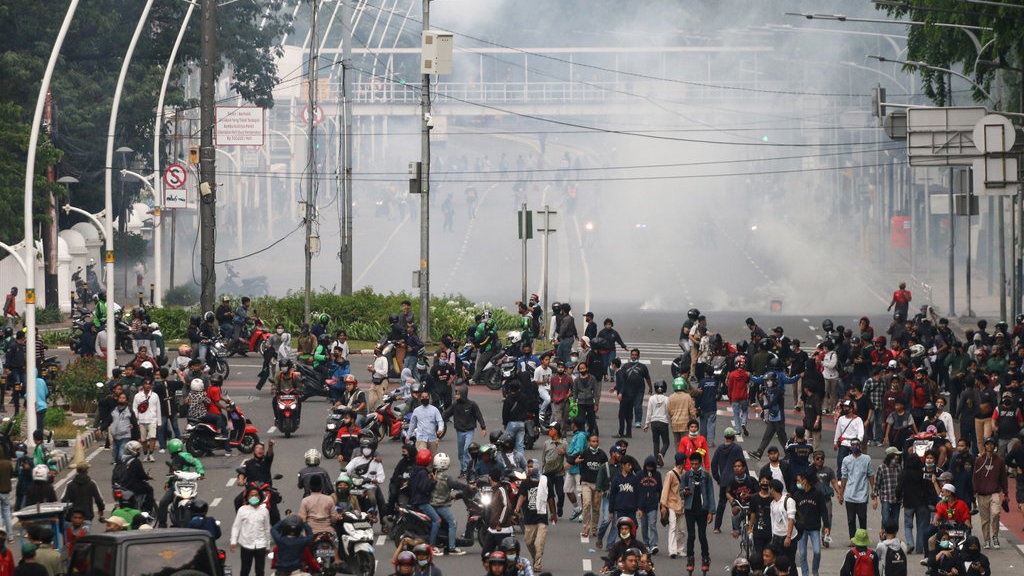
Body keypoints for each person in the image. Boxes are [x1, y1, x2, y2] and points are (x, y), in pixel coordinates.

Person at [515, 459, 555, 570]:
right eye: (528, 466)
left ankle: (538, 564)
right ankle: (535, 557)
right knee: (528, 542)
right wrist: (518, 507)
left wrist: (553, 513)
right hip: (529, 518)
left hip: (541, 516)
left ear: (537, 467)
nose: (529, 468)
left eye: (531, 466)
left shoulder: (545, 481)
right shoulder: (525, 482)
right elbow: (522, 496)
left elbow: (550, 498)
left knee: (539, 543)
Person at [681, 451, 714, 573]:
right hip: (689, 509)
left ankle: (705, 557)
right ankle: (690, 558)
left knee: (702, 535)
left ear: (700, 463)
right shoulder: (686, 475)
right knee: (691, 535)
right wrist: (685, 492)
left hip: (702, 510)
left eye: (696, 464)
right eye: (692, 464)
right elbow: (680, 491)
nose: (694, 466)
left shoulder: (706, 476)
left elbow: (710, 493)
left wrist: (711, 511)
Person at [973, 437, 1008, 549]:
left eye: (991, 444)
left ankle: (995, 537)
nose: (989, 446)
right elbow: (975, 477)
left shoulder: (1000, 461)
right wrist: (974, 491)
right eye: (987, 444)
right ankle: (987, 540)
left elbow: (1003, 477)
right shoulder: (979, 460)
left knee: (996, 513)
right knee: (985, 519)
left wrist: (1006, 492)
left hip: (994, 493)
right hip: (981, 493)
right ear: (984, 446)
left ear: (994, 446)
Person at [445, 385, 487, 476]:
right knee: (460, 453)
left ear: (463, 394)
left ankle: (467, 470)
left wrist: (483, 427)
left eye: (458, 393)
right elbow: (446, 414)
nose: (456, 395)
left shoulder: (472, 404)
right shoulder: (455, 405)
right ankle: (463, 469)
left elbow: (479, 416)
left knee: (466, 450)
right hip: (459, 431)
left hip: (469, 431)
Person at [712, 428, 747, 533]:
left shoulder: (719, 449)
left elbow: (714, 464)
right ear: (733, 437)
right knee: (737, 504)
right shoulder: (737, 448)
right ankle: (735, 528)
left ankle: (716, 527)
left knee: (721, 504)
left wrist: (718, 478)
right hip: (735, 481)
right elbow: (743, 464)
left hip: (723, 481)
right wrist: (747, 478)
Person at [231, 486, 272, 576]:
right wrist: (233, 541)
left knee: (260, 571)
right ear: (247, 497)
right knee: (245, 570)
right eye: (251, 495)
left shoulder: (264, 511)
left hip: (260, 545)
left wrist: (268, 545)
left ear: (260, 497)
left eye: (256, 495)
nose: (253, 497)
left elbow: (267, 529)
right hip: (246, 545)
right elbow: (236, 526)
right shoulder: (242, 510)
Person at [839, 438, 874, 541]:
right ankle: (853, 539)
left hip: (862, 495)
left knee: (862, 518)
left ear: (860, 446)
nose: (855, 447)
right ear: (850, 447)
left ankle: (863, 539)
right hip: (850, 495)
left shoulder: (867, 459)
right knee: (851, 520)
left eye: (857, 444)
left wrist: (873, 490)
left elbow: (870, 475)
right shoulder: (846, 460)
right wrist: (841, 494)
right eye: (853, 445)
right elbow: (844, 477)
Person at [793, 471, 826, 576]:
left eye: (799, 480)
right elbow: (793, 512)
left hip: (814, 528)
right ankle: (805, 573)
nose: (797, 483)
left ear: (805, 480)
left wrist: (827, 525)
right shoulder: (797, 495)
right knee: (802, 554)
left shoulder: (817, 494)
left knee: (817, 552)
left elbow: (824, 510)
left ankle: (815, 571)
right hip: (801, 529)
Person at [576, 434, 607, 541]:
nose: (595, 443)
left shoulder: (602, 455)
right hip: (586, 483)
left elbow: (606, 470)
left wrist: (604, 485)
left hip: (597, 485)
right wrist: (575, 461)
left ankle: (594, 528)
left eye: (596, 441)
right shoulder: (584, 452)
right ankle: (586, 528)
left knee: (596, 507)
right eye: (593, 441)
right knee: (586, 503)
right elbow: (573, 458)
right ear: (589, 442)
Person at [660, 452, 688, 559]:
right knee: (672, 527)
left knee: (681, 529)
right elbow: (665, 489)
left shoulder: (685, 474)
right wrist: (663, 505)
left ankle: (679, 549)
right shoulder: (670, 474)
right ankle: (672, 550)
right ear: (683, 462)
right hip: (671, 504)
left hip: (681, 504)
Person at [60, 462, 104, 527]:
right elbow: (99, 500)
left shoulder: (70, 484)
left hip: (72, 517)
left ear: (77, 470)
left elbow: (63, 499)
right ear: (87, 471)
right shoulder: (92, 484)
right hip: (86, 516)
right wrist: (101, 511)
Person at [725, 458, 759, 538]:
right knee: (735, 513)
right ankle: (737, 530)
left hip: (752, 504)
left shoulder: (751, 480)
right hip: (739, 504)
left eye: (739, 466)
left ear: (744, 468)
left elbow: (760, 492)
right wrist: (730, 498)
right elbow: (727, 492)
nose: (737, 468)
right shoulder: (732, 481)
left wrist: (750, 496)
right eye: (735, 466)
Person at [408, 384, 445, 454]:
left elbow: (440, 421)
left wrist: (440, 429)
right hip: (421, 439)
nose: (424, 398)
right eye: (423, 397)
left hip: (432, 438)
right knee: (423, 457)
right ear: (420, 398)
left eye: (426, 397)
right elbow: (412, 424)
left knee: (432, 459)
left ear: (429, 398)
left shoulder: (434, 410)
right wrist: (408, 436)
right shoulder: (416, 411)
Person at [541, 423, 568, 517]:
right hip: (547, 472)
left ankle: (559, 506)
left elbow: (569, 458)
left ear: (557, 430)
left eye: (552, 429)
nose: (550, 431)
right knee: (550, 494)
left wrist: (564, 453)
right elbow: (543, 458)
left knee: (560, 494)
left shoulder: (564, 443)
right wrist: (542, 472)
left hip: (559, 472)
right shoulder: (546, 443)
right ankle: (553, 512)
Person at [564, 418, 589, 520]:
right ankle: (577, 509)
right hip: (571, 469)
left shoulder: (581, 436)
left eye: (571, 424)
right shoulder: (576, 435)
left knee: (581, 492)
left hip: (578, 468)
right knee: (567, 489)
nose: (570, 425)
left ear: (574, 425)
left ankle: (584, 512)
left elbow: (578, 451)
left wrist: (569, 459)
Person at [768, 479, 797, 563]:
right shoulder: (772, 503)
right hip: (776, 537)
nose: (768, 491)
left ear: (772, 489)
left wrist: (788, 537)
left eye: (769, 488)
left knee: (789, 563)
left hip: (787, 537)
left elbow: (791, 519)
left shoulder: (788, 501)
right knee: (777, 563)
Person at [643, 380, 671, 467]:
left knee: (656, 442)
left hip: (654, 422)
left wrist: (647, 424)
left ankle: (656, 461)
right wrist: (669, 421)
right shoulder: (667, 399)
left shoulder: (651, 398)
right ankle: (661, 454)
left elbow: (649, 412)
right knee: (666, 442)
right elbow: (668, 412)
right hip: (663, 422)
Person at [668, 374, 697, 447]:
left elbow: (669, 412)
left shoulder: (671, 397)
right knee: (686, 443)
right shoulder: (687, 397)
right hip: (685, 423)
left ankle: (678, 457)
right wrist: (694, 420)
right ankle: (685, 457)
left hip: (675, 424)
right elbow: (692, 411)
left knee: (677, 443)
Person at [573, 362, 599, 435]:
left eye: (583, 368)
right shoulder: (577, 380)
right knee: (581, 420)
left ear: (587, 368)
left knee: (591, 420)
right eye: (580, 369)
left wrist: (596, 404)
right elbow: (575, 392)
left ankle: (590, 432)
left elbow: (596, 392)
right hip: (580, 403)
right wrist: (574, 403)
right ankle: (582, 434)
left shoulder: (592, 378)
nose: (582, 370)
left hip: (590, 402)